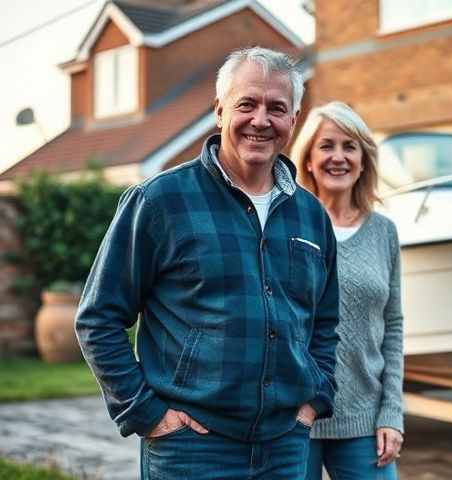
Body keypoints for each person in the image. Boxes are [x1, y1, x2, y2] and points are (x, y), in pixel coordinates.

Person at [75, 47, 340, 479]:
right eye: (246, 104)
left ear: (292, 120)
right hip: (191, 450)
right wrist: (147, 414)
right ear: (219, 111)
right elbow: (98, 318)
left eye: (277, 108)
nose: (260, 120)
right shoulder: (159, 202)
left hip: (285, 449)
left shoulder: (311, 215)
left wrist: (313, 402)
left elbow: (325, 323)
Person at [290, 102, 404, 480]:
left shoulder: (383, 232)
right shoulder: (287, 225)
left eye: (349, 146)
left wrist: (392, 413)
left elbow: (393, 328)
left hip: (364, 422)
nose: (338, 157)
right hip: (293, 419)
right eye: (326, 146)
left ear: (363, 159)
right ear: (307, 159)